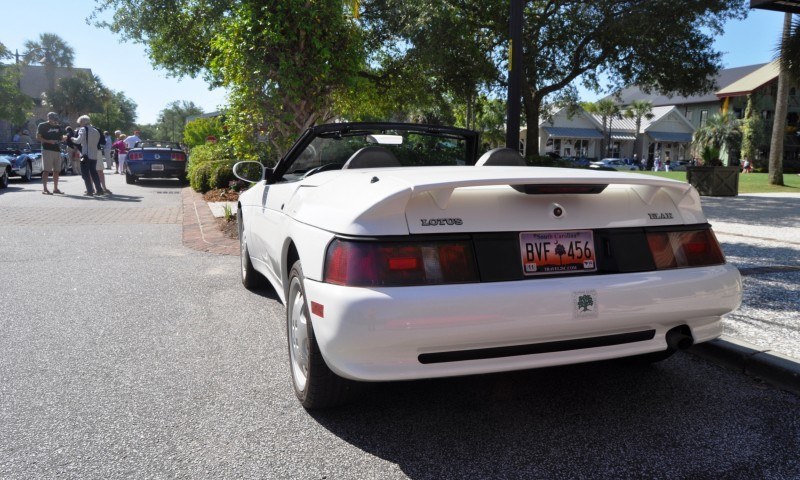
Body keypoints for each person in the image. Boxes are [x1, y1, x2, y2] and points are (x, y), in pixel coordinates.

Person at [70, 115, 105, 196]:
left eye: (80, 123)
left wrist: (72, 139)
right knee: (94, 173)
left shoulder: (83, 129)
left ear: (82, 122)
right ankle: (99, 190)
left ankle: (90, 191)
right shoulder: (96, 131)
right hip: (94, 155)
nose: (80, 124)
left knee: (85, 174)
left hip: (86, 155)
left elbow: (78, 141)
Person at [35, 112, 65, 195]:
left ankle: (55, 188)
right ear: (49, 118)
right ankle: (45, 189)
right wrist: (48, 141)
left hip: (57, 150)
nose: (54, 121)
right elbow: (38, 137)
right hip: (47, 149)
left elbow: (61, 138)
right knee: (47, 170)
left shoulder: (58, 126)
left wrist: (65, 138)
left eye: (55, 119)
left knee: (57, 171)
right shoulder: (42, 125)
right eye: (53, 119)